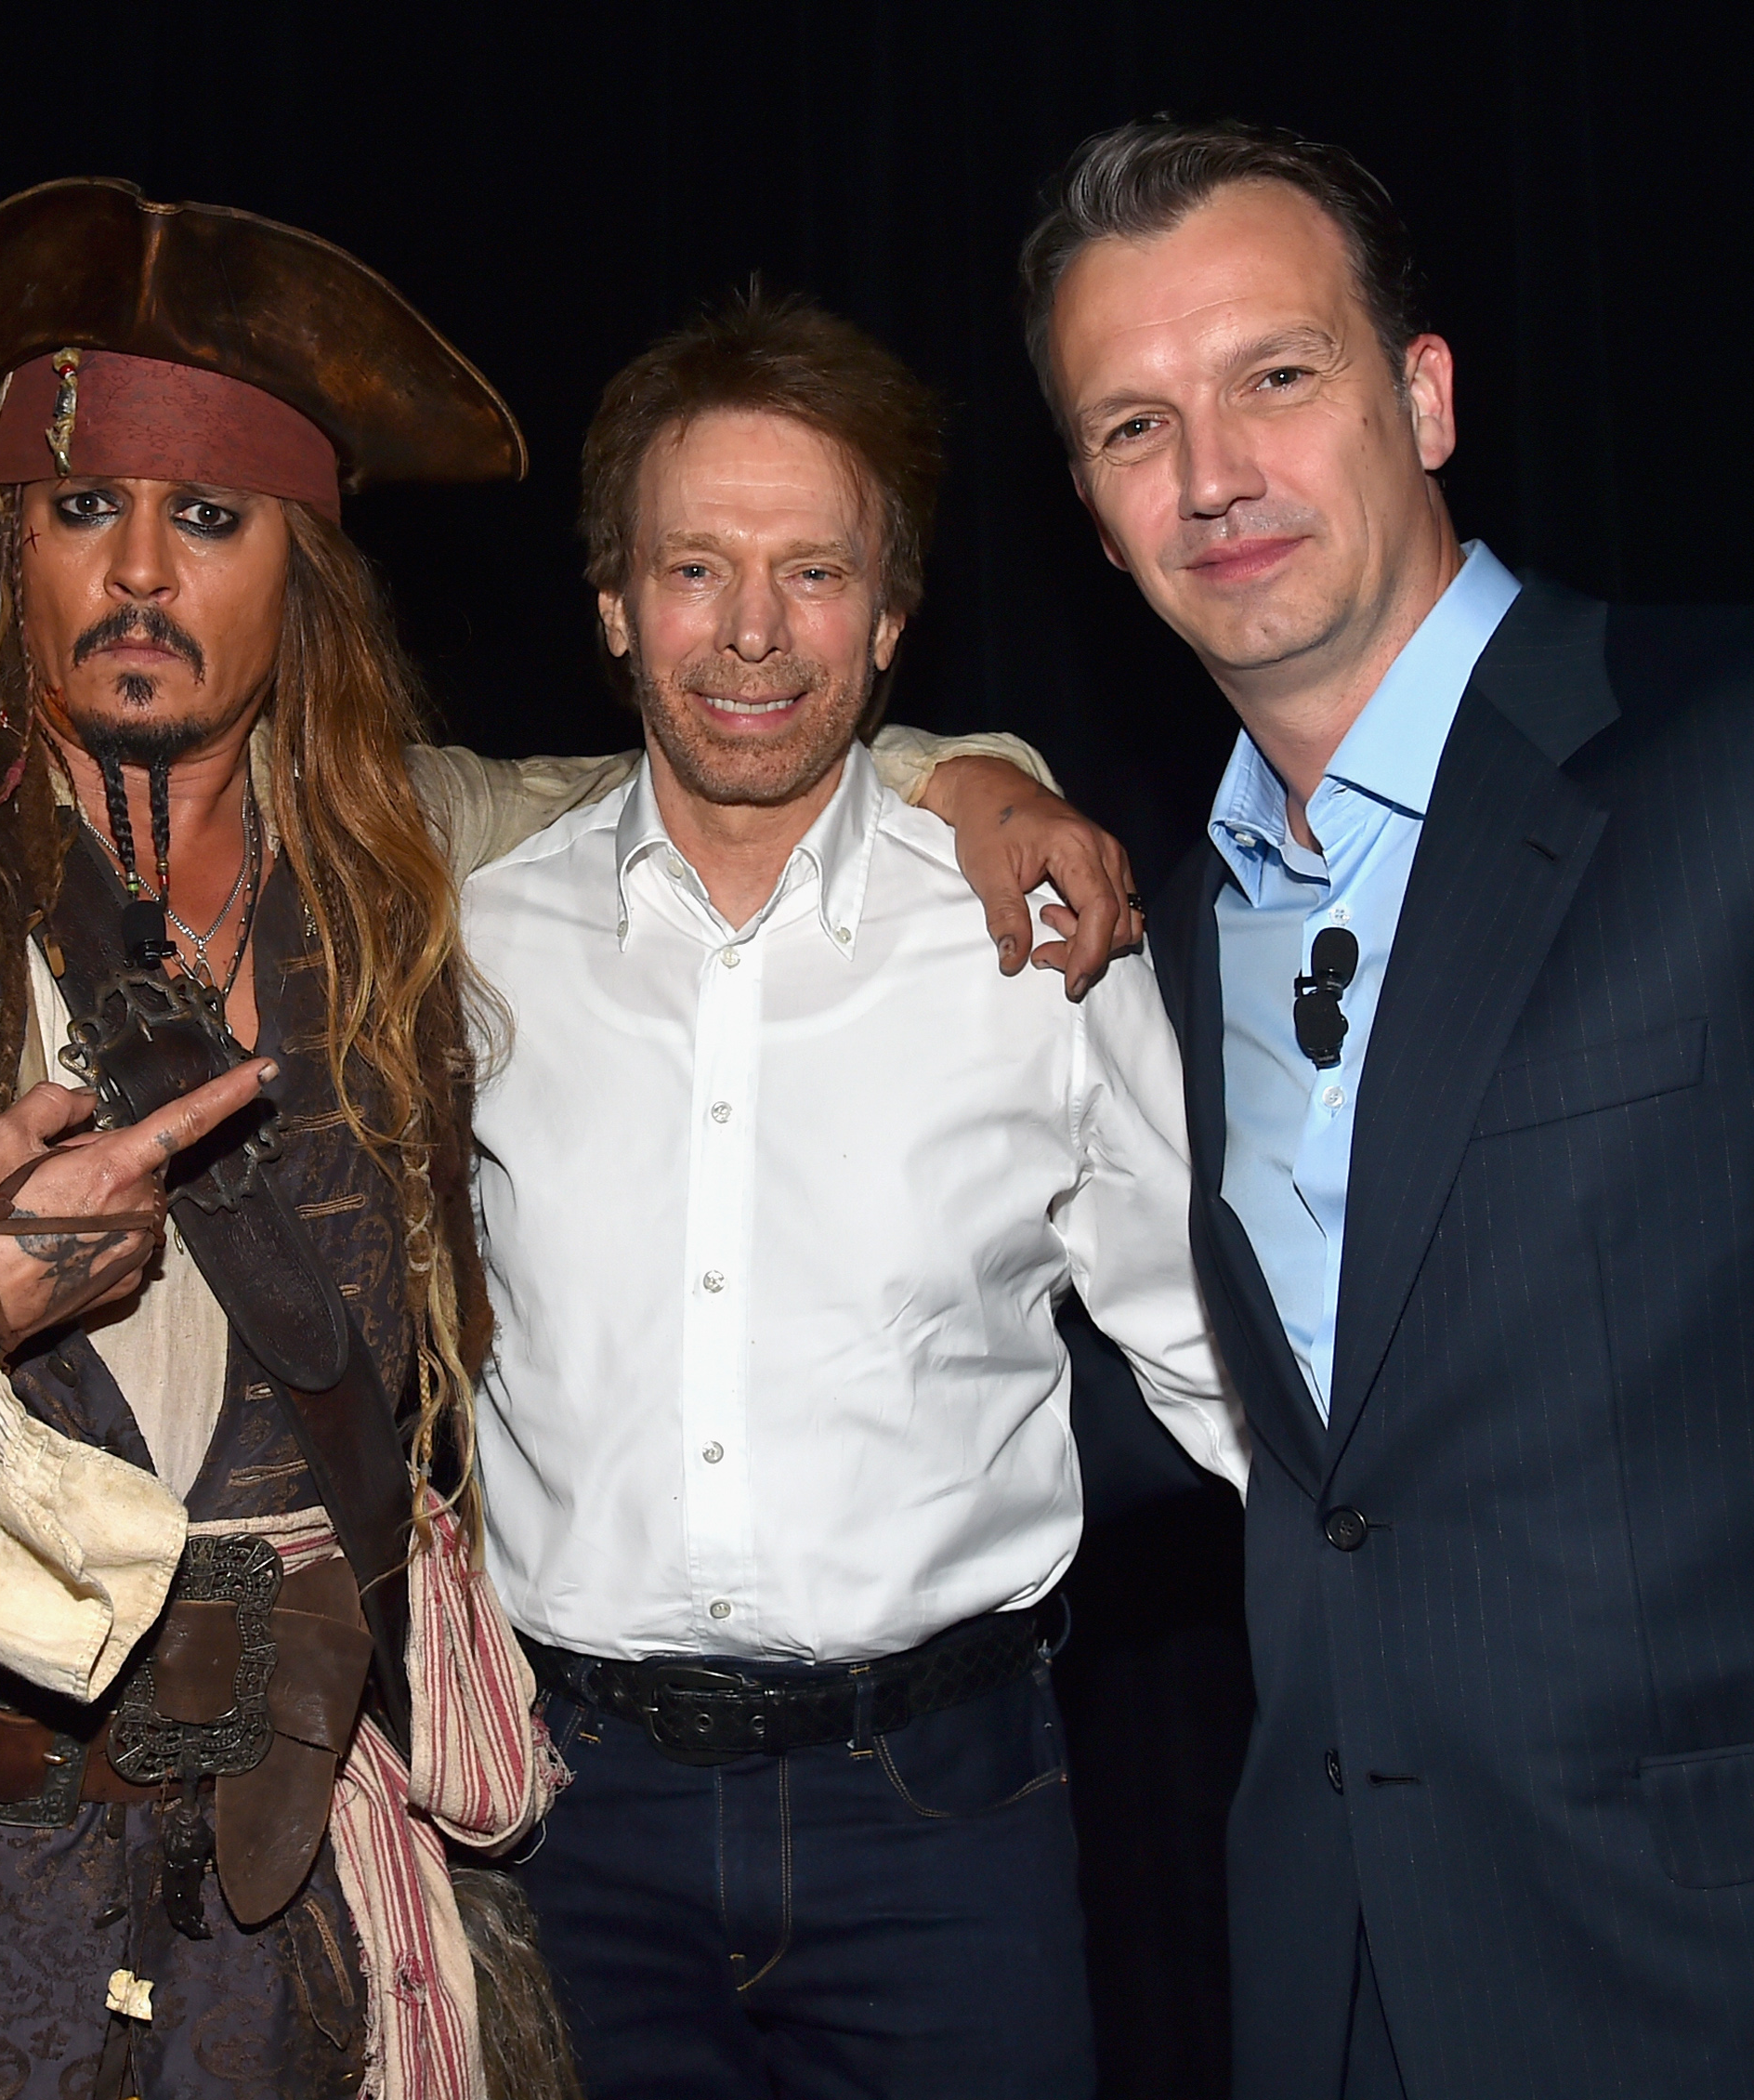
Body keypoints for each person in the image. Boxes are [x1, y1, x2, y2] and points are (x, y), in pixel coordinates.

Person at [0, 182, 1112, 2100]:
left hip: (268, 1932)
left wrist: (984, 782)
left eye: (210, 518)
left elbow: (731, 746)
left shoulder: (407, 856)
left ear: (303, 565)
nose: (141, 578)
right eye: (82, 511)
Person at [1020, 118, 1754, 2099]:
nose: (1214, 475)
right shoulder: (1159, 952)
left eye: (1278, 374)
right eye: (1131, 424)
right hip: (1340, 1995)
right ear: (1094, 518)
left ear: (1421, 396)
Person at [464, 288, 1243, 2100]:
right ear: (611, 605)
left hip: (943, 1811)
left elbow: (1222, 1353)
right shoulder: (478, 949)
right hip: (572, 1820)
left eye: (813, 573)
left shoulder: (1027, 946)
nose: (751, 632)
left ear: (891, 619)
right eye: (694, 570)